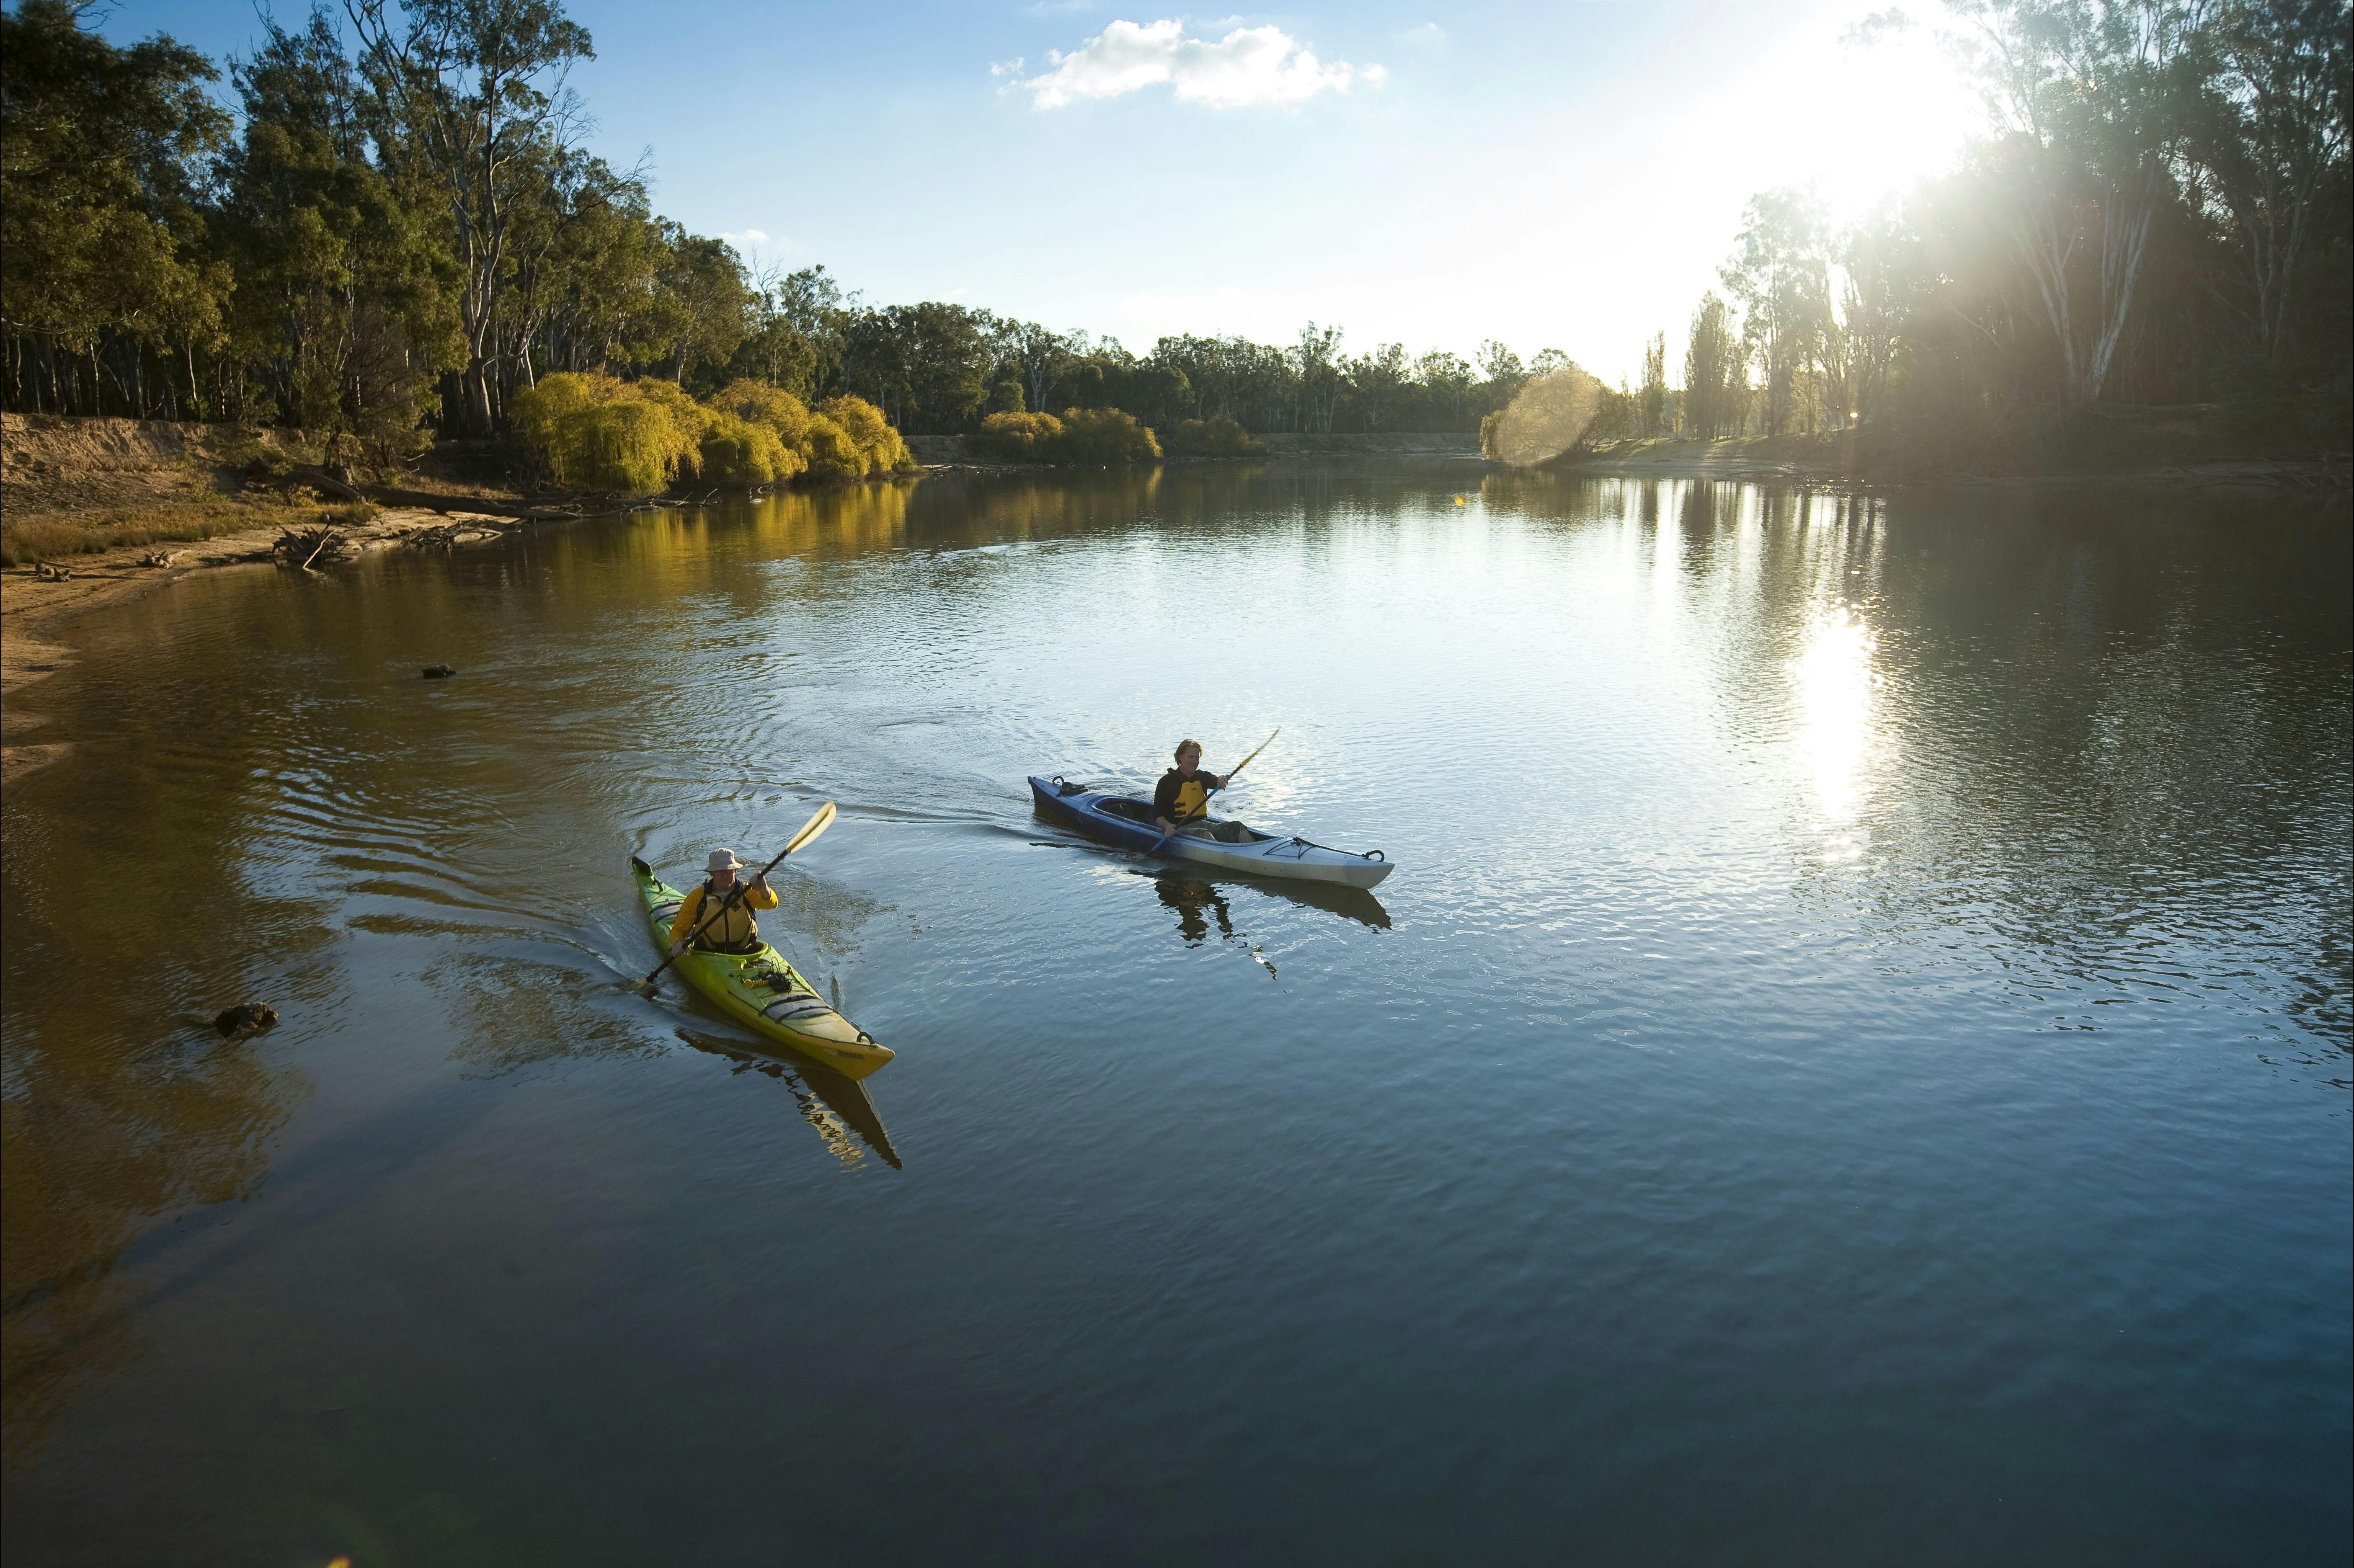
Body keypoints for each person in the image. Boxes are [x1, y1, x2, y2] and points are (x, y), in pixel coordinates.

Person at [669, 849, 779, 955]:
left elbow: (772, 904)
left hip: (745, 952)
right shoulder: (697, 897)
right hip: (707, 954)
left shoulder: (748, 892)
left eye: (728, 870)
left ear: (735, 871)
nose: (725, 875)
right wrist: (679, 942)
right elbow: (679, 930)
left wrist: (764, 888)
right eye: (720, 871)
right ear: (711, 873)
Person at [1153, 738, 1232, 839]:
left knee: (1238, 827)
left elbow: (1217, 782)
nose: (1195, 762)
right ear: (1181, 757)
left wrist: (1221, 779)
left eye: (1197, 758)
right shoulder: (1166, 782)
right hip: (1180, 829)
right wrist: (1168, 826)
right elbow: (1157, 815)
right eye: (1191, 757)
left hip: (1204, 824)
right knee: (1205, 834)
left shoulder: (1202, 776)